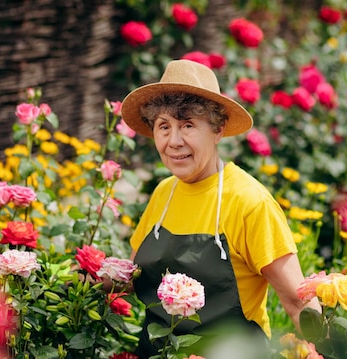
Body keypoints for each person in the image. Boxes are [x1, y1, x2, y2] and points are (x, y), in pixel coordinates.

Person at [120, 59, 321, 358]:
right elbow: (131, 275)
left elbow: (298, 302)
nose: (173, 141)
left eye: (188, 125)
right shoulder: (164, 193)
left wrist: (323, 351)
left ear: (218, 129)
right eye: (164, 126)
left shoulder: (249, 202)